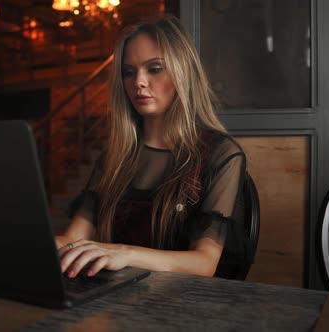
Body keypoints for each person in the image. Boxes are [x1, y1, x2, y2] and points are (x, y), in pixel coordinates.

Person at [55, 15, 249, 279]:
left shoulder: (221, 154)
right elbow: (73, 239)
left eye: (155, 68)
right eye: (129, 72)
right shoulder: (114, 156)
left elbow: (204, 263)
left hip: (183, 306)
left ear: (183, 72)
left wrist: (123, 253)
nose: (139, 82)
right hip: (112, 301)